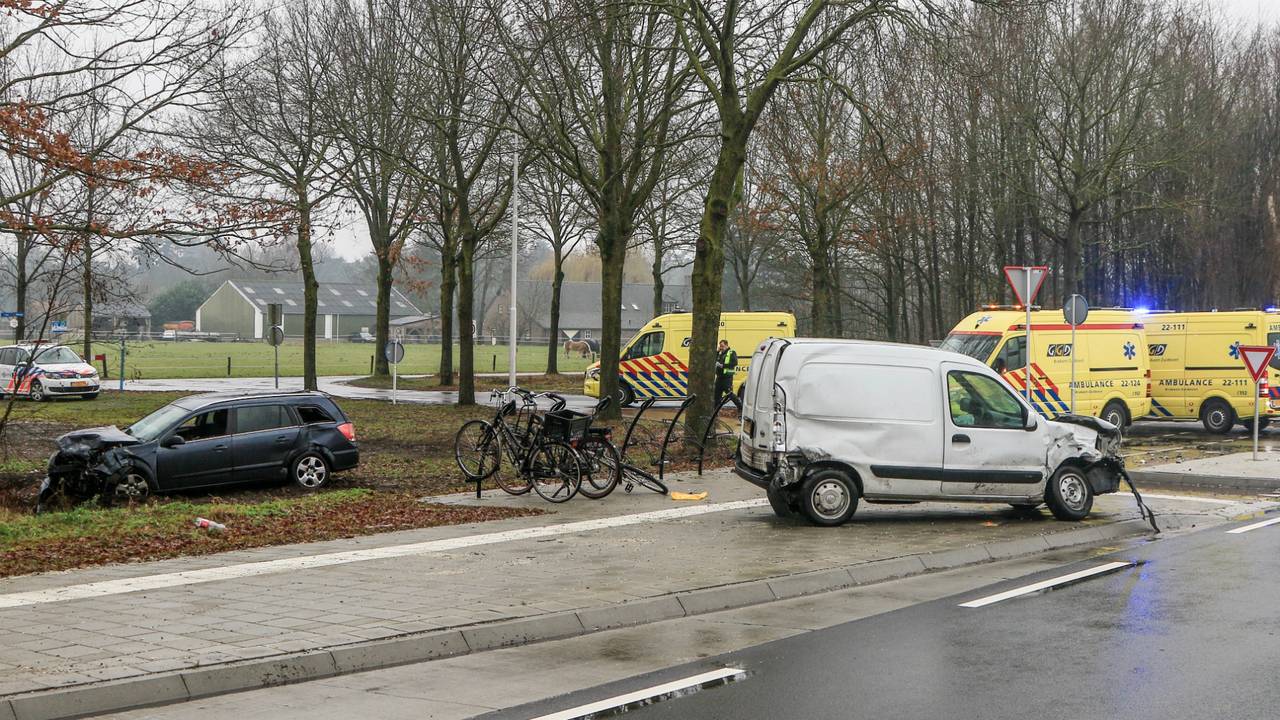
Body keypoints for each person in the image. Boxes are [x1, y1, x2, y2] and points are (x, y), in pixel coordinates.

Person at [715, 339, 741, 410]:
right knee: (716, 395)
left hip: (727, 378)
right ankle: (715, 411)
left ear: (726, 345)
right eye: (720, 346)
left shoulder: (731, 352)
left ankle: (740, 406)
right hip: (719, 377)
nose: (721, 347)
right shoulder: (720, 353)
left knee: (730, 394)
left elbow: (735, 363)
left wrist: (723, 365)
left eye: (722, 346)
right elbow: (714, 359)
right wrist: (717, 351)